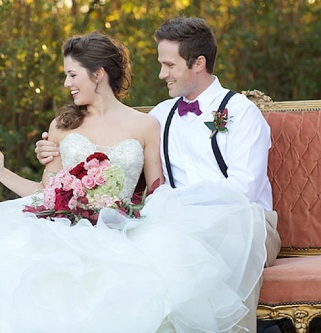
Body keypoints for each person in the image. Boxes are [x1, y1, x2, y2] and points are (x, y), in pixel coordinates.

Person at [0, 31, 266, 333]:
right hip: (60, 227)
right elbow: (45, 194)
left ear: (98, 75)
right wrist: (0, 171)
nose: (66, 84)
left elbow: (157, 193)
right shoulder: (63, 125)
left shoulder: (149, 123)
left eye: (72, 75)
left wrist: (126, 212)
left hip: (122, 229)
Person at [35, 17, 281, 332]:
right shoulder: (160, 116)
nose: (161, 74)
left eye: (169, 65)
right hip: (174, 223)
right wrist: (56, 152)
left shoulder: (243, 113)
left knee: (176, 248)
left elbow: (242, 192)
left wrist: (177, 210)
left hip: (248, 224)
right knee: (128, 255)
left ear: (199, 63)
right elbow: (112, 148)